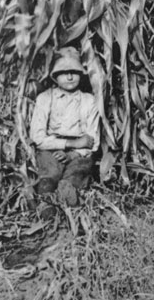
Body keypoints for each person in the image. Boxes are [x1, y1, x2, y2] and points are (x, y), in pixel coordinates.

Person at [29, 47, 100, 206]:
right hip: (51, 148)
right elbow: (37, 137)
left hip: (79, 152)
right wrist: (69, 144)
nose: (69, 77)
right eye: (63, 72)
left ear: (81, 74)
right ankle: (46, 204)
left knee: (78, 170)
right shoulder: (45, 98)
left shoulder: (89, 100)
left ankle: (68, 195)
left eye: (74, 72)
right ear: (54, 76)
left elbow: (92, 140)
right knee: (50, 173)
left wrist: (73, 153)